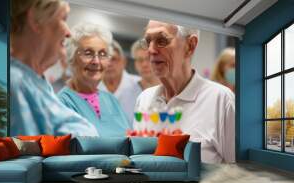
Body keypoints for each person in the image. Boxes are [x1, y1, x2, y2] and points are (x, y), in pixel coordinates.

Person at [134, 20, 235, 163]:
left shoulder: (221, 100)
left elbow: (240, 171)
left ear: (190, 46)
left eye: (162, 40)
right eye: (148, 41)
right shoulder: (144, 99)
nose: (151, 50)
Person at [10, 0, 98, 136]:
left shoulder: (38, 83)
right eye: (63, 19)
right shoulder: (14, 82)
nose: (69, 33)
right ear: (36, 21)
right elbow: (27, 153)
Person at [57, 23, 130, 137]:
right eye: (88, 53)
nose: (96, 61)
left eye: (103, 54)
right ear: (71, 58)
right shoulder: (62, 103)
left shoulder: (111, 100)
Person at [99, 41, 141, 124]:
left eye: (113, 59)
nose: (109, 64)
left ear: (124, 61)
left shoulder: (140, 85)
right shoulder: (90, 88)